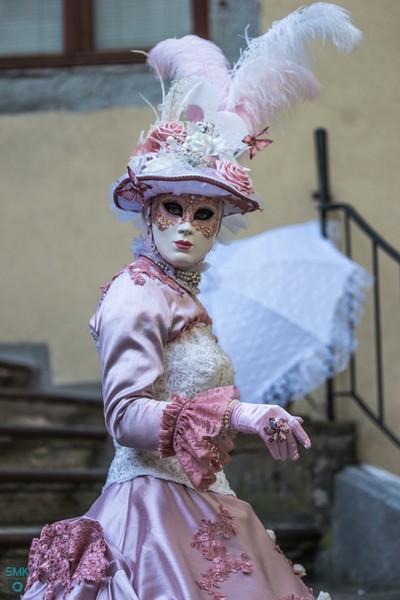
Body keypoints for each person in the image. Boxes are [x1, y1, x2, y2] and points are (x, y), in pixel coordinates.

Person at [22, 4, 361, 599]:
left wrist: (254, 412)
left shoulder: (180, 295)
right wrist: (239, 413)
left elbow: (183, 399)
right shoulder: (136, 292)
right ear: (147, 211)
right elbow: (126, 417)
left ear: (219, 224)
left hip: (200, 499)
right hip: (150, 517)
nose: (186, 225)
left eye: (203, 213)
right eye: (171, 208)